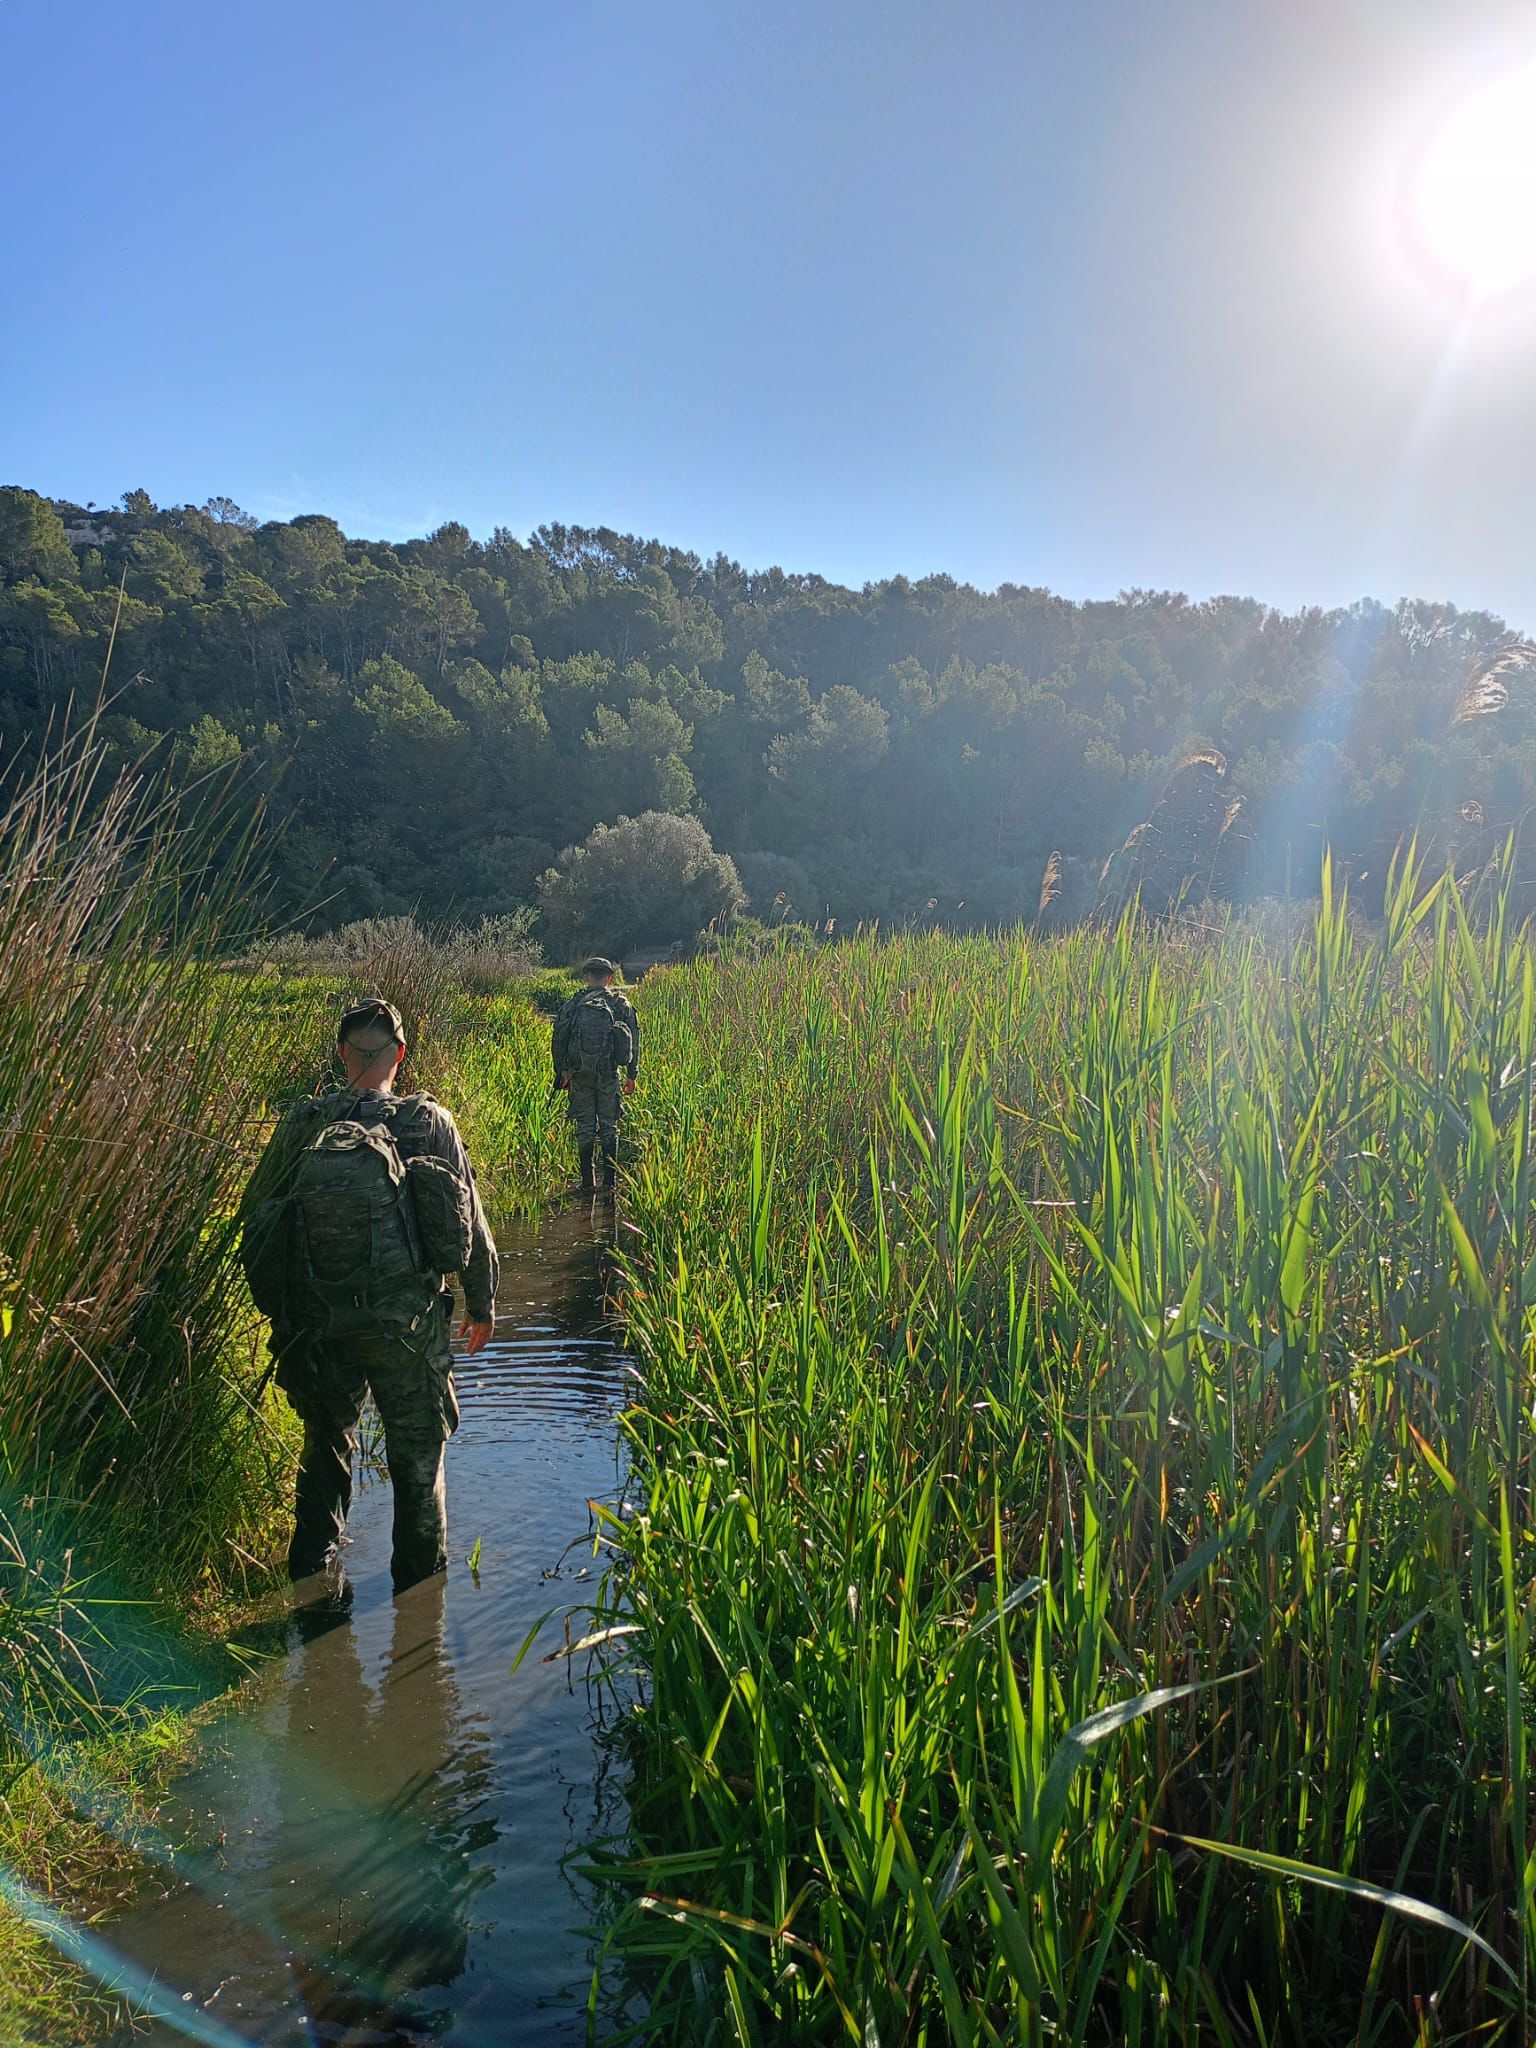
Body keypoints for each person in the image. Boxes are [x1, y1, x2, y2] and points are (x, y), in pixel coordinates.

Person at [240, 997, 498, 1592]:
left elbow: (258, 1218)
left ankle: (312, 1588)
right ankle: (418, 1612)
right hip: (406, 1329)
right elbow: (473, 1226)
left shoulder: (303, 1123)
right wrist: (481, 1307)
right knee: (416, 1462)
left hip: (320, 1327)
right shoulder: (429, 1122)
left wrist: (285, 1312)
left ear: (341, 1055)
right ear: (400, 1056)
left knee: (326, 1450)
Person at [551, 956, 638, 1194]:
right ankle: (610, 1182)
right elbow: (634, 1041)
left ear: (588, 977)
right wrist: (632, 1075)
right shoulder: (621, 1004)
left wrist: (561, 1074)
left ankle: (587, 1182)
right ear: (610, 978)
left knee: (585, 1127)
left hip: (579, 1074)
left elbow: (559, 1040)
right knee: (610, 1127)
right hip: (609, 1073)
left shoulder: (573, 1004)